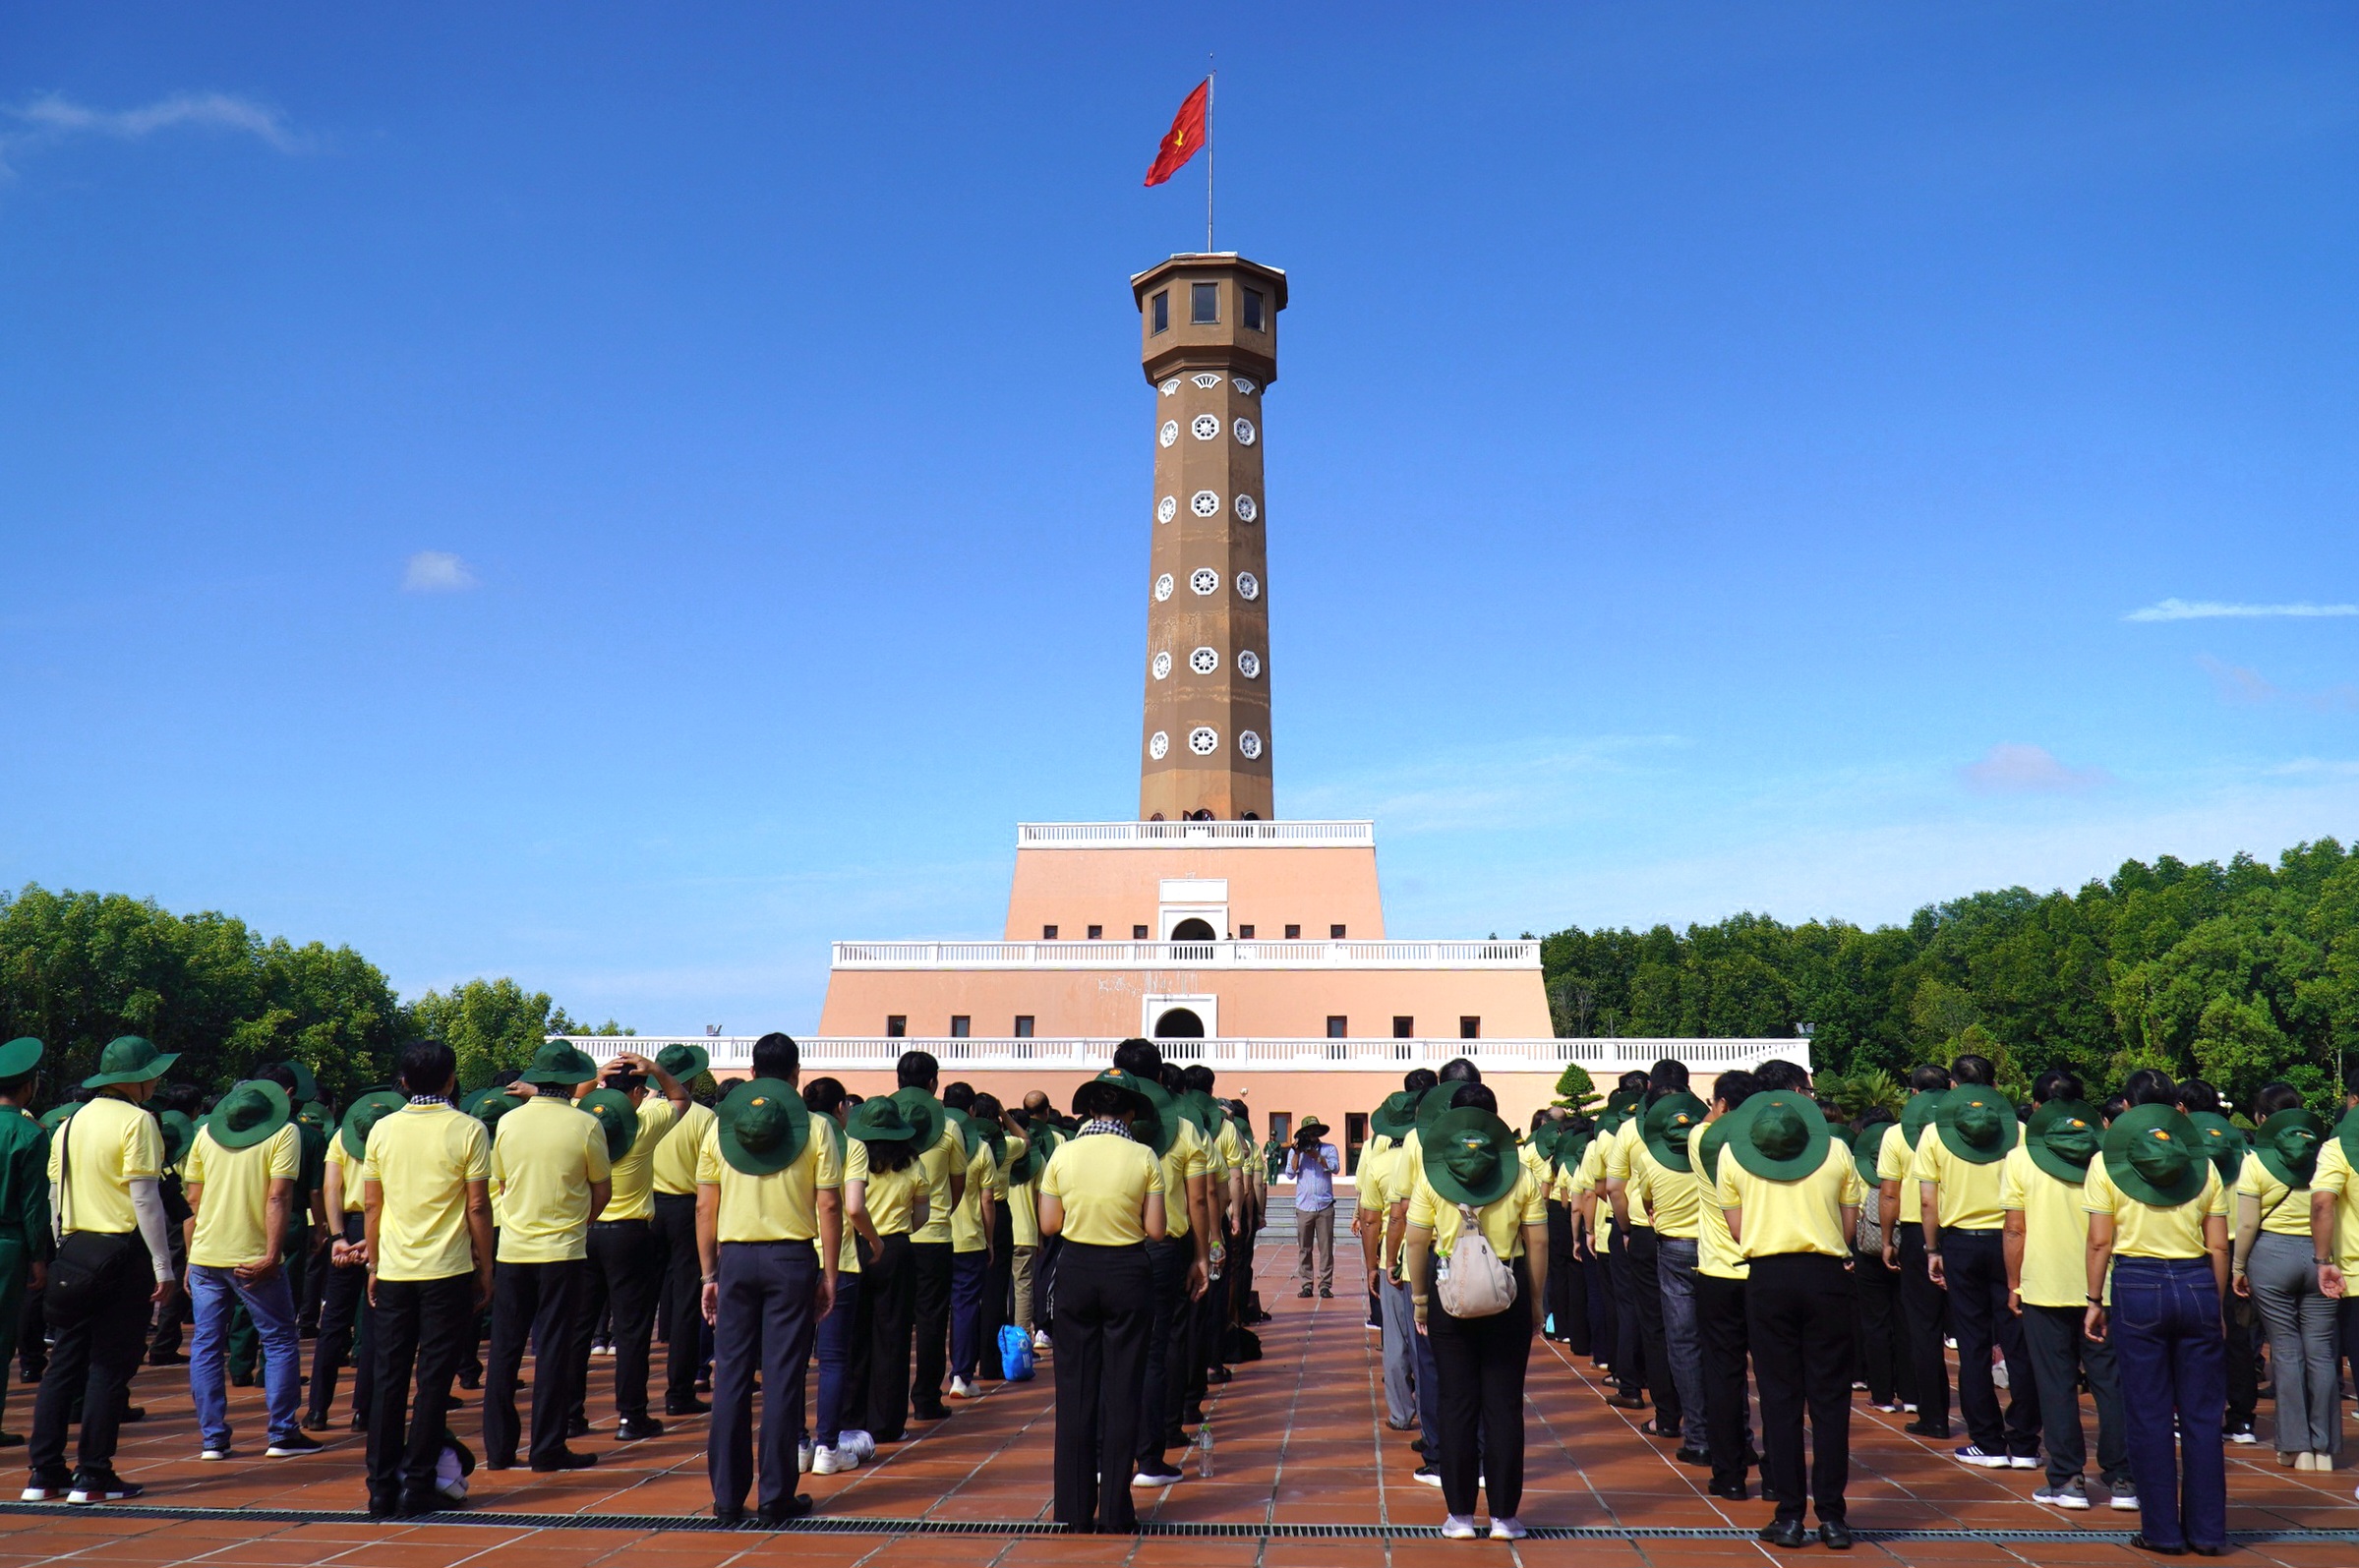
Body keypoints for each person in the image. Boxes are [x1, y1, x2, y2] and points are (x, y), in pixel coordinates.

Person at [26, 1035, 180, 1506]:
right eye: (153, 1072)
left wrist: (62, 1247)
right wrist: (162, 1264)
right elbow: (144, 1197)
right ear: (136, 1078)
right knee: (110, 1367)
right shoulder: (139, 1121)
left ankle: (44, 1472)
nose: (157, 1079)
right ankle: (93, 1475)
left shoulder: (69, 1123)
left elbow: (55, 1194)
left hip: (74, 1250)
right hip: (122, 1251)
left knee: (64, 1365)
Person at [697, 1032, 841, 1525]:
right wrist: (831, 1273)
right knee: (784, 1378)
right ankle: (776, 1495)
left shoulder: (720, 1127)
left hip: (734, 1257)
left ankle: (726, 1498)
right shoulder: (817, 1129)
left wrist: (707, 1274)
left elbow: (704, 1205)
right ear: (796, 1073)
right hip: (791, 1258)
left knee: (731, 1376)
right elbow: (828, 1203)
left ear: (752, 1073)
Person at [2085, 1076, 2230, 1556]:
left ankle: (2163, 1532)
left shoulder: (2107, 1163)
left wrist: (2093, 1299)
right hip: (2196, 1283)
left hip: (2136, 1283)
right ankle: (2208, 1532)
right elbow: (2217, 1243)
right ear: (2177, 1109)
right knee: (2203, 1416)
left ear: (2127, 1107)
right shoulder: (2203, 1165)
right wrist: (2218, 1302)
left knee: (2147, 1415)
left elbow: (2101, 1240)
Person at [1715, 1087, 1864, 1550]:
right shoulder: (1837, 1150)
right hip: (1825, 1275)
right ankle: (1833, 1517)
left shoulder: (1732, 1157)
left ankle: (1789, 1516)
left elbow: (1737, 1229)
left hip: (1767, 1277)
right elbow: (1849, 1225)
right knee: (1830, 1400)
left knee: (1779, 1399)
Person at [1403, 1088, 1549, 1541]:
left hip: (1450, 1295)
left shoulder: (1433, 1176)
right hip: (1509, 1292)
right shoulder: (1521, 1174)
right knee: (1504, 1405)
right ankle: (1505, 1517)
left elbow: (1415, 1242)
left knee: (1456, 1403)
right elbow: (1539, 1242)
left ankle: (1461, 1516)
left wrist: (1421, 1300)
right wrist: (1537, 1302)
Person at [362, 1039, 494, 1517]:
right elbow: (477, 1204)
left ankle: (379, 1487)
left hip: (395, 1267)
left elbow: (373, 1205)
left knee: (389, 1378)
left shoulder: (382, 1130)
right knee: (434, 1380)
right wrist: (487, 1267)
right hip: (448, 1268)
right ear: (451, 1080)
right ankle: (418, 1484)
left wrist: (374, 1264)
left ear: (402, 1081)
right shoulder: (468, 1129)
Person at [1038, 1070, 1165, 1534]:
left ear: (1090, 1109)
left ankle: (1072, 1508)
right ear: (1130, 1112)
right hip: (1127, 1272)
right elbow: (1155, 1230)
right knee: (1122, 1389)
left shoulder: (1063, 1153)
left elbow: (1049, 1225)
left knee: (1074, 1392)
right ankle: (1115, 1509)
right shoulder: (1144, 1155)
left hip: (1076, 1270)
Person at [2000, 1079, 2131, 1513]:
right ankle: (2123, 1477)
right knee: (2110, 1382)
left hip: (2044, 1283)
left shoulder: (2020, 1159)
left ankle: (2068, 1478)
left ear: (2037, 1108)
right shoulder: (2108, 1154)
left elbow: (2015, 1229)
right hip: (2104, 1285)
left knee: (2055, 1383)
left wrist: (2013, 1282)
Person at [483, 1041, 609, 1473]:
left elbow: (501, 1183)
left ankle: (498, 1448)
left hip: (513, 1247)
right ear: (574, 1081)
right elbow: (601, 1189)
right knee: (553, 1349)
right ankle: (547, 1446)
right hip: (563, 1249)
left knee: (505, 1349)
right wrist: (580, 1221)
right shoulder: (586, 1126)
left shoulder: (508, 1123)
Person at [182, 1077, 318, 1461]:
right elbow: (278, 1194)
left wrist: (192, 1256)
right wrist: (273, 1253)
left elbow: (194, 1199)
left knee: (206, 1345)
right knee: (277, 1339)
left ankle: (213, 1439)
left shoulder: (205, 1135)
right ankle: (282, 1432)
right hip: (252, 1255)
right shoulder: (284, 1134)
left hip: (208, 1252)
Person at [1917, 1074, 2038, 1470]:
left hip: (1961, 1241)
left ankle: (1987, 1440)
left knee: (1972, 1343)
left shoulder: (1936, 1133)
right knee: (2017, 1340)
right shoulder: (2018, 1130)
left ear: (1954, 1086)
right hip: (2010, 1239)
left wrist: (1932, 1248)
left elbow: (1927, 1200)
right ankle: (2024, 1441)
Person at [570, 1049, 691, 1442]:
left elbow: (573, 1096)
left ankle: (571, 1415)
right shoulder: (644, 1123)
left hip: (586, 1231)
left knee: (580, 1327)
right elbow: (680, 1099)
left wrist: (596, 1075)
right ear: (639, 1092)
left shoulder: (581, 1122)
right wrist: (657, 1069)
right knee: (632, 1330)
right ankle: (630, 1415)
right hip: (630, 1232)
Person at [2232, 1083, 2332, 1470]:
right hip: (2321, 1254)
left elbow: (2246, 1223)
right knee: (2322, 1352)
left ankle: (2296, 1446)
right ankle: (2324, 1448)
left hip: (2271, 1255)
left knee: (2286, 1351)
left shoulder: (2256, 1160)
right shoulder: (2325, 1155)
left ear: (2261, 1118)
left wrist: (2239, 1267)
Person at [309, 1089, 401, 1432]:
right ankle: (364, 1409)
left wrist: (338, 1239)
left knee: (333, 1321)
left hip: (345, 1226)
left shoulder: (339, 1142)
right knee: (375, 1322)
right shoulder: (395, 1143)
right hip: (380, 1227)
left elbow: (331, 1188)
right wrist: (370, 1240)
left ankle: (317, 1410)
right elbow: (386, 1197)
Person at [1630, 1088, 1709, 1467]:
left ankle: (1699, 1433)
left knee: (1683, 1342)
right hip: (1716, 1250)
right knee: (1724, 1346)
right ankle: (1736, 1434)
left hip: (1673, 1247)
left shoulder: (1649, 1159)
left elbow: (1646, 1203)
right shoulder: (1715, 1151)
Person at [1691, 1072, 1760, 1502]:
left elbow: (1700, 1120)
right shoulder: (1768, 1145)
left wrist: (1717, 1107)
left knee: (1723, 1374)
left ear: (1719, 1105)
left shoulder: (1701, 1139)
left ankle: (1730, 1473)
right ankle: (1775, 1472)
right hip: (1764, 1268)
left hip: (1718, 1270)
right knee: (1775, 1376)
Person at [801, 1077, 872, 1474]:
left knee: (792, 1358)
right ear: (842, 1107)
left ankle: (797, 1443)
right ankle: (828, 1445)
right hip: (839, 1258)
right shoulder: (852, 1145)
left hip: (794, 1253)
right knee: (832, 1360)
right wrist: (874, 1243)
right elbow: (853, 1206)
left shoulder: (793, 1137)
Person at [891, 1052, 966, 1425]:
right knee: (933, 1320)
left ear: (898, 1079)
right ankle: (925, 1398)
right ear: (934, 1083)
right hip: (934, 1235)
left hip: (889, 1234)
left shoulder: (880, 1119)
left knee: (891, 1321)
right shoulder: (949, 1127)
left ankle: (888, 1399)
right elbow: (957, 1184)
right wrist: (938, 1213)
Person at [852, 1094, 929, 1446]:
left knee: (855, 1337)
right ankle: (886, 1423)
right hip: (896, 1248)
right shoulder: (913, 1164)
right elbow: (921, 1217)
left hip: (855, 1245)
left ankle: (852, 1417)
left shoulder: (852, 1157)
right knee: (893, 1338)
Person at [1879, 1066, 1952, 1436]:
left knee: (1924, 1328)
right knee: (1976, 1334)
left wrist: (1887, 1239)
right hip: (1973, 1230)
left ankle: (1935, 1414)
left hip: (1916, 1233)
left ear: (1913, 1094)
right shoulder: (1985, 1129)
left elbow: (1890, 1192)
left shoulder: (1897, 1135)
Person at [648, 1043, 715, 1418]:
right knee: (688, 1304)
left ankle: (634, 1398)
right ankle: (679, 1391)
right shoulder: (704, 1117)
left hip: (645, 1207)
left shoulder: (640, 1109)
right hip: (687, 1208)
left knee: (639, 1308)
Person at [1361, 1089, 1422, 1436]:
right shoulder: (1427, 1154)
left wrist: (1374, 1263)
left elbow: (1372, 1220)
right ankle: (1431, 1412)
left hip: (1393, 1255)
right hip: (1426, 1251)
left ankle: (1401, 1411)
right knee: (1424, 1343)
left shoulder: (1378, 1163)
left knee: (1396, 1340)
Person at [940, 1082, 1001, 1400]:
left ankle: (927, 1381)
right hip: (970, 1239)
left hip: (932, 1236)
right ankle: (961, 1375)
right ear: (972, 1111)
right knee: (965, 1308)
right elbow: (987, 1201)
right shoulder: (980, 1147)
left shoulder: (931, 1136)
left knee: (934, 1311)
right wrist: (990, 1240)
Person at [0, 1040, 47, 1450]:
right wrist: (39, 1257)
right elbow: (33, 1206)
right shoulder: (28, 1134)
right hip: (8, 1244)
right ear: (29, 1086)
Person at [1847, 1114, 1902, 1416]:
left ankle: (1881, 1393)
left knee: (1874, 1321)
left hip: (1867, 1248)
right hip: (1906, 1243)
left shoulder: (1856, 1169)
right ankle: (1912, 1392)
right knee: (1907, 1320)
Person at [1285, 1116, 1340, 1299]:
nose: (1312, 1135)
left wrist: (1317, 1156)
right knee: (1304, 1248)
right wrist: (1298, 1153)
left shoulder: (1329, 1149)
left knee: (1326, 1248)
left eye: (1315, 1132)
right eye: (1309, 1132)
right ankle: (1306, 1284)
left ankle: (1325, 1284)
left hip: (1324, 1205)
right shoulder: (1296, 1152)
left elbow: (1335, 1168)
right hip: (1304, 1206)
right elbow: (1290, 1174)